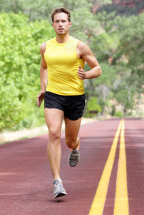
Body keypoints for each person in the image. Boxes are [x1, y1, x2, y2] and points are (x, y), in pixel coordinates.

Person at [37, 7, 102, 198]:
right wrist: (43, 88)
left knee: (70, 141)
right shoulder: (45, 47)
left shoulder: (80, 46)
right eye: (57, 21)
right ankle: (57, 181)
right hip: (53, 95)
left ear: (69, 24)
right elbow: (43, 67)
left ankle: (76, 146)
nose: (60, 24)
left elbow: (97, 68)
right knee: (53, 133)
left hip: (75, 97)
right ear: (52, 24)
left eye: (63, 21)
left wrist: (87, 74)